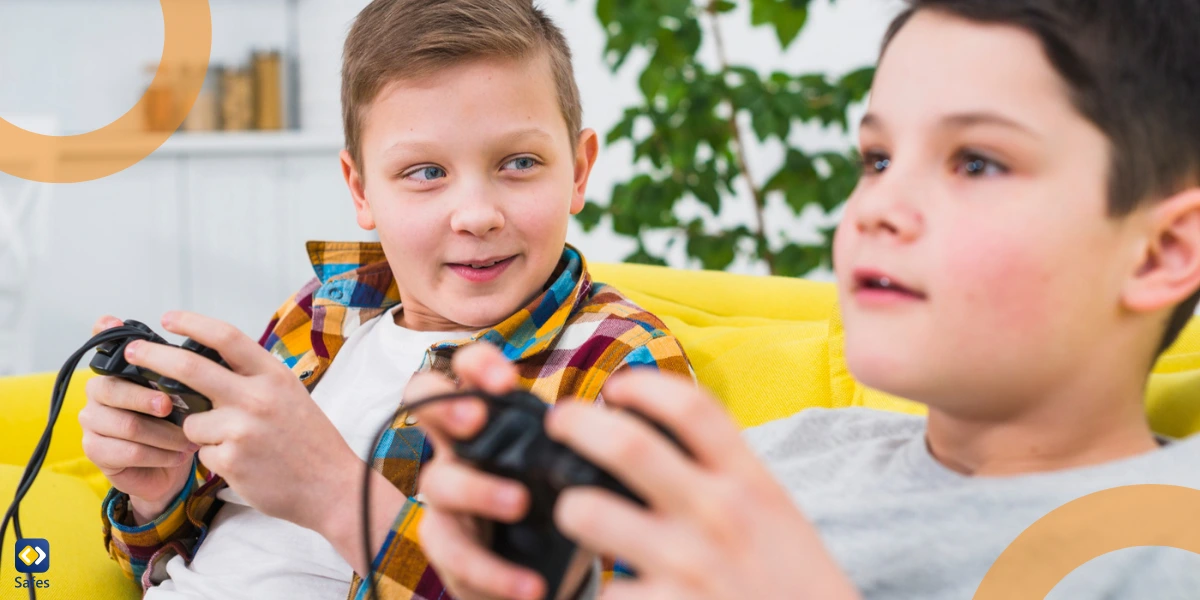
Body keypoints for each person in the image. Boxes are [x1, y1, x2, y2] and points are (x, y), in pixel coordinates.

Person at [410, 0, 1200, 598]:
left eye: (978, 162)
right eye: (877, 157)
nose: (877, 206)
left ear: (1162, 252)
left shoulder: (1170, 538)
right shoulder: (772, 465)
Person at [76, 1, 691, 598]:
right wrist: (158, 492)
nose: (476, 215)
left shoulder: (618, 364)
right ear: (361, 188)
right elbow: (196, 551)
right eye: (425, 172)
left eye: (519, 162)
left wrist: (339, 495)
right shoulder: (320, 312)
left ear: (578, 171)